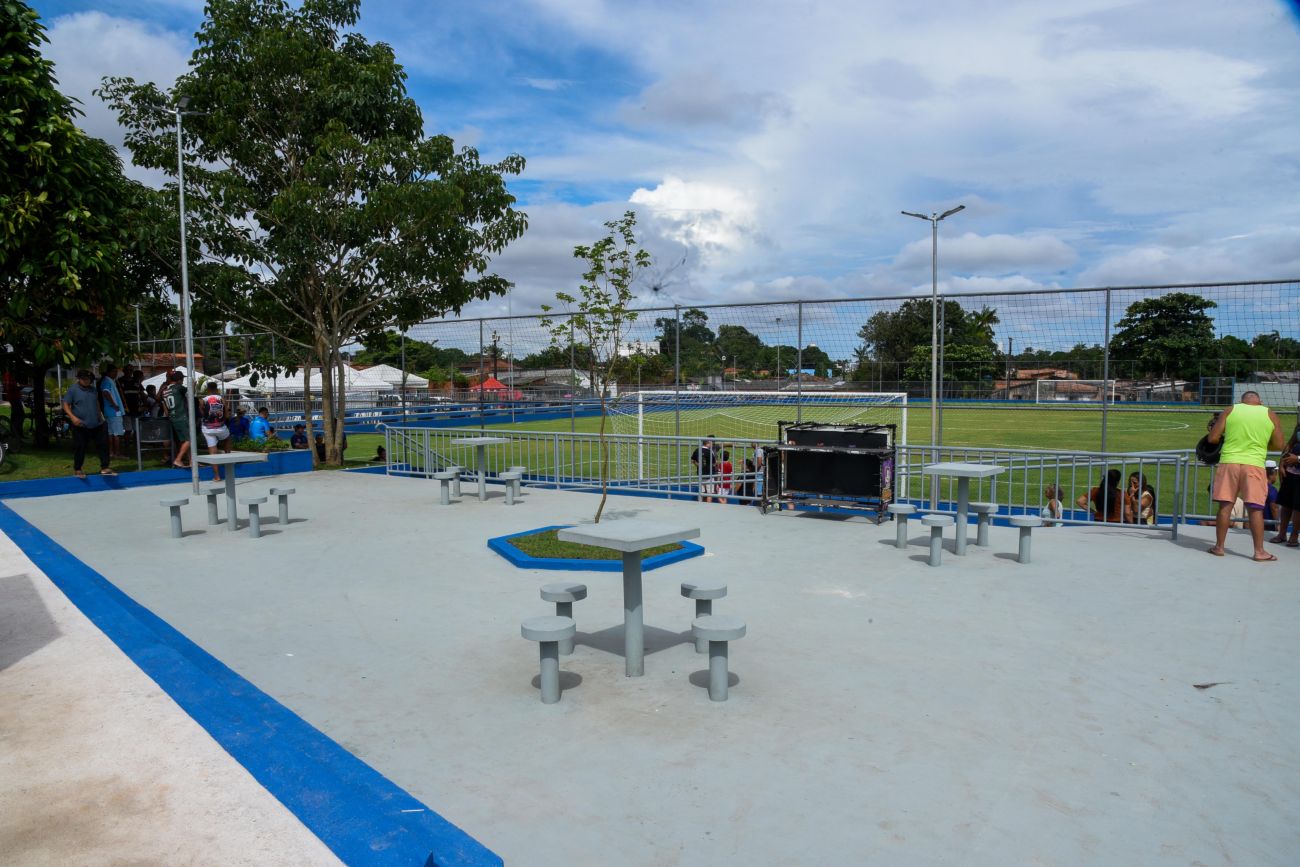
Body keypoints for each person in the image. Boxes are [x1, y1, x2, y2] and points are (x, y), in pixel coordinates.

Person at [1206, 390, 1284, 561]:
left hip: (1229, 462)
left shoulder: (1230, 410)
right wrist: (1262, 445)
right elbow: (1279, 444)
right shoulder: (1269, 413)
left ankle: (1219, 547)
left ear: (1242, 401)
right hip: (1254, 464)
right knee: (1255, 509)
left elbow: (1212, 438)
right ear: (1259, 402)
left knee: (1225, 506)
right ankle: (1259, 552)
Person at [61, 369, 115, 478]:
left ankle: (105, 467)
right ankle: (78, 469)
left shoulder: (93, 390)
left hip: (97, 423)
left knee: (103, 445)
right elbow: (65, 404)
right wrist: (72, 417)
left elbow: (96, 402)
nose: (87, 381)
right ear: (79, 379)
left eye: (89, 379)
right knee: (80, 447)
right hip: (81, 424)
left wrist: (101, 416)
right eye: (84, 379)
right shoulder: (73, 390)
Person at [1269, 424, 1300, 546]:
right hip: (1290, 474)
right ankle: (1282, 534)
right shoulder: (1299, 426)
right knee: (1286, 505)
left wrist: (1298, 458)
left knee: (1298, 508)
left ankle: (1294, 536)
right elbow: (1290, 444)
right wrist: (1281, 463)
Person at [198, 382, 232, 481]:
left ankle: (217, 476)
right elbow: (226, 415)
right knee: (227, 439)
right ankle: (228, 460)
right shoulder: (222, 399)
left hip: (207, 429)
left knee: (213, 452)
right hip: (220, 427)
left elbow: (201, 414)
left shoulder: (203, 400)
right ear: (217, 389)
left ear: (207, 389)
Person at [161, 370, 192, 468]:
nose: (183, 381)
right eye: (182, 379)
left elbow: (165, 408)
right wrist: (193, 386)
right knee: (190, 440)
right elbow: (191, 395)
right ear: (179, 380)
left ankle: (191, 461)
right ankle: (178, 459)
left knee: (184, 441)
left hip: (173, 417)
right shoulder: (179, 387)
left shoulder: (164, 391)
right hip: (181, 416)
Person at [98, 364, 125, 459]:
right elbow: (105, 392)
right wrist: (114, 404)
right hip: (114, 411)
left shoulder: (108, 381)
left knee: (110, 433)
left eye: (116, 372)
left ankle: (111, 452)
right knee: (116, 433)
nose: (116, 374)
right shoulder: (107, 381)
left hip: (109, 411)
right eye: (114, 372)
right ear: (108, 372)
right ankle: (116, 453)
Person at [690, 435, 718, 502]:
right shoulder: (710, 451)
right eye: (711, 443)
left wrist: (698, 465)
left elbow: (693, 460)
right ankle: (708, 507)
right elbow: (714, 463)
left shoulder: (697, 450)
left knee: (701, 492)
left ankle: (700, 504)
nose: (712, 444)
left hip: (700, 473)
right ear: (707, 443)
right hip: (709, 474)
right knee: (709, 493)